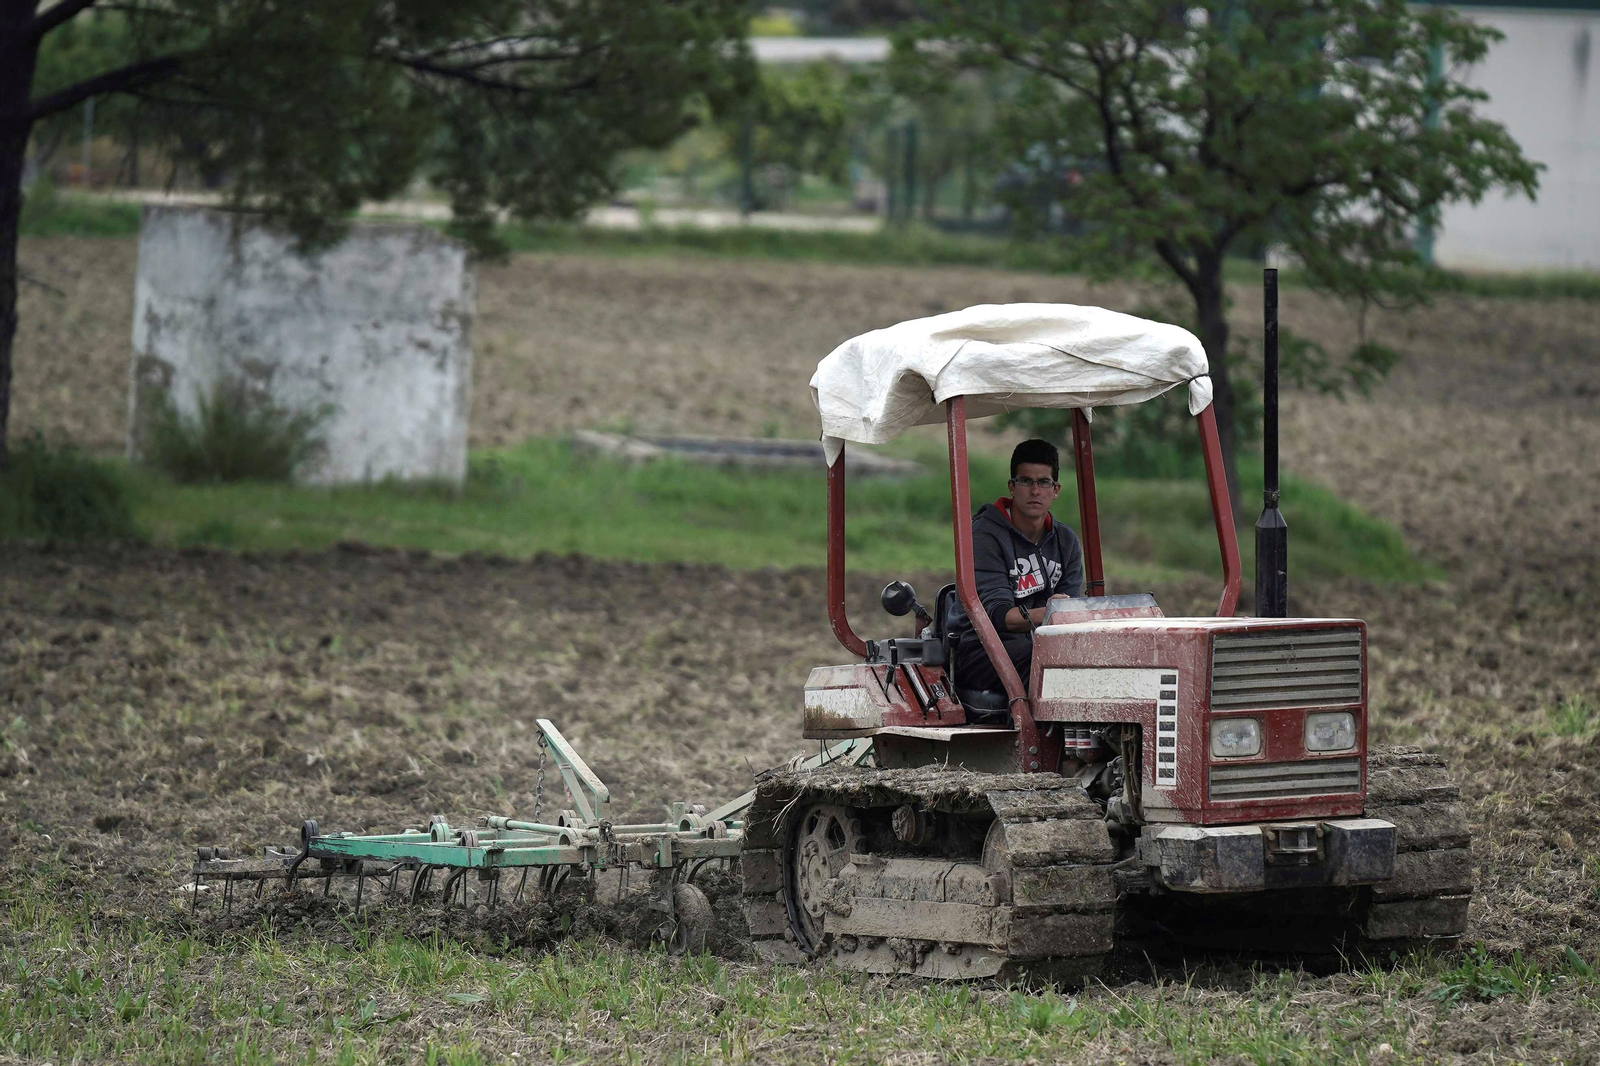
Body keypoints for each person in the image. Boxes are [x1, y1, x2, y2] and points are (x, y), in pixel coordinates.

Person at [949, 438, 1084, 696]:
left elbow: (1072, 612)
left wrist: (1064, 613)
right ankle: (1039, 735)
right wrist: (1052, 612)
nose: (1035, 491)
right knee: (1047, 661)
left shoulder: (1065, 542)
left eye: (1044, 482)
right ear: (1012, 486)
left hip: (1040, 644)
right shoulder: (984, 537)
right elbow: (999, 616)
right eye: (1026, 481)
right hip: (983, 650)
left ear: (1055, 490)